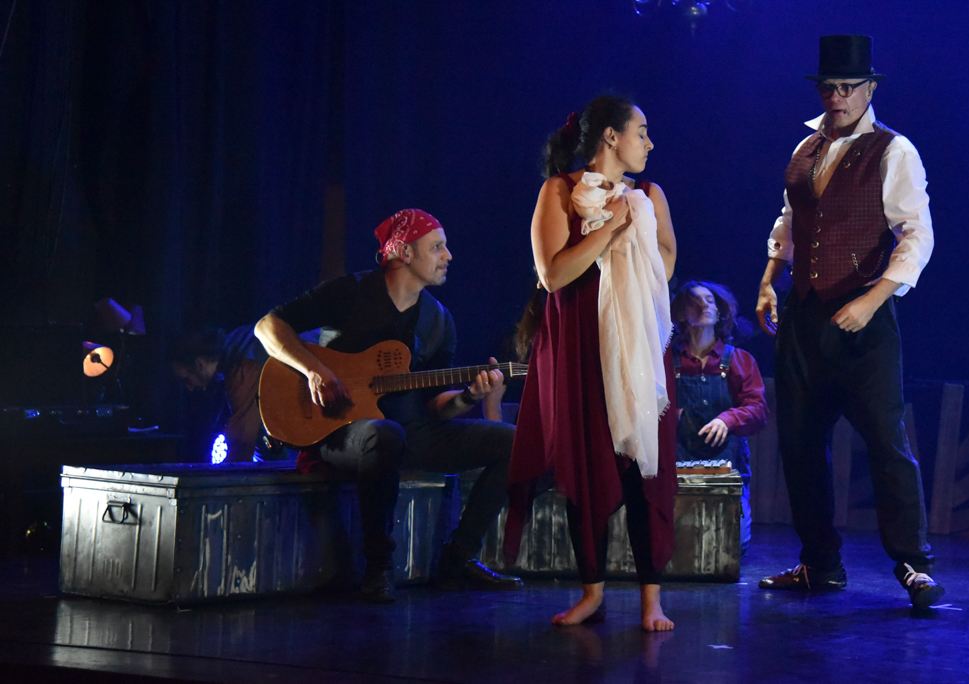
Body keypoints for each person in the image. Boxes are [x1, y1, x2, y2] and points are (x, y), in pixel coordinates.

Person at [755, 35, 942, 608]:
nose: (836, 97)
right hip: (805, 320)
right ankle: (820, 563)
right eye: (828, 87)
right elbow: (790, 219)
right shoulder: (806, 147)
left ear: (869, 89)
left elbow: (917, 234)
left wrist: (874, 298)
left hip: (865, 323)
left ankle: (913, 563)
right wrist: (768, 278)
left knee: (887, 442)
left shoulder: (893, 150)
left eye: (847, 87)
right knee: (801, 445)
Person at [254, 209, 522, 604]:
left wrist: (468, 398)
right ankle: (378, 565)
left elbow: (436, 406)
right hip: (341, 429)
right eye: (437, 247)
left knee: (512, 441)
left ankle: (459, 557)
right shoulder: (351, 292)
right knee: (384, 434)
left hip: (412, 431)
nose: (448, 256)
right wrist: (314, 371)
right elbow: (268, 326)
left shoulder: (438, 321)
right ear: (404, 253)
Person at [504, 95, 679, 632]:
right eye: (641, 131)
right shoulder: (559, 191)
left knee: (643, 468)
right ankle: (592, 592)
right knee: (587, 462)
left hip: (641, 345)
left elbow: (668, 261)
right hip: (580, 346)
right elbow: (552, 275)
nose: (649, 142)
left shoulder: (650, 195)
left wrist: (637, 245)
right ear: (609, 137)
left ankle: (652, 599)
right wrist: (608, 232)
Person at [670, 281, 767, 556]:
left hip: (727, 472)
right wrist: (670, 415)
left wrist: (728, 419)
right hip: (677, 473)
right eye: (695, 302)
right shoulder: (667, 361)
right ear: (680, 315)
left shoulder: (740, 360)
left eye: (710, 300)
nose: (704, 306)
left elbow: (758, 409)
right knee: (677, 548)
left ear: (721, 312)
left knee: (732, 547)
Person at [171, 325, 293, 463]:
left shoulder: (241, 368)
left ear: (200, 365)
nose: (190, 388)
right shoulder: (234, 343)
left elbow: (242, 445)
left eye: (187, 379)